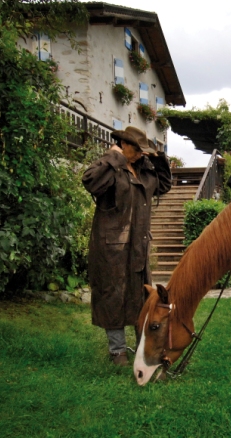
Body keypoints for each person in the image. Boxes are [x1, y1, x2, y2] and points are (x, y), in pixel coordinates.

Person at [82, 126, 172, 366]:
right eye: (138, 150)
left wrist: (158, 159)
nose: (141, 154)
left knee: (140, 295)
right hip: (112, 248)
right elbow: (90, 181)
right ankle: (117, 351)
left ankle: (143, 345)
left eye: (144, 151)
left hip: (138, 248)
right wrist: (114, 157)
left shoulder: (144, 172)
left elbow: (163, 185)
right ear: (124, 145)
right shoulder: (110, 167)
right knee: (113, 295)